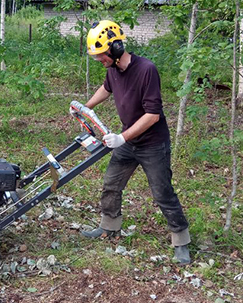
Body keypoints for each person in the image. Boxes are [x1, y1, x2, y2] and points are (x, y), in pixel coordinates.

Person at [75, 20, 191, 265]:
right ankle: (109, 226)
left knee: (162, 193)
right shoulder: (113, 70)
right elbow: (106, 89)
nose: (100, 60)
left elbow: (153, 114)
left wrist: (121, 138)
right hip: (128, 141)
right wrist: (86, 108)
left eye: (102, 55)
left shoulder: (146, 70)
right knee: (111, 184)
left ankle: (181, 241)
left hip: (152, 144)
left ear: (116, 48)